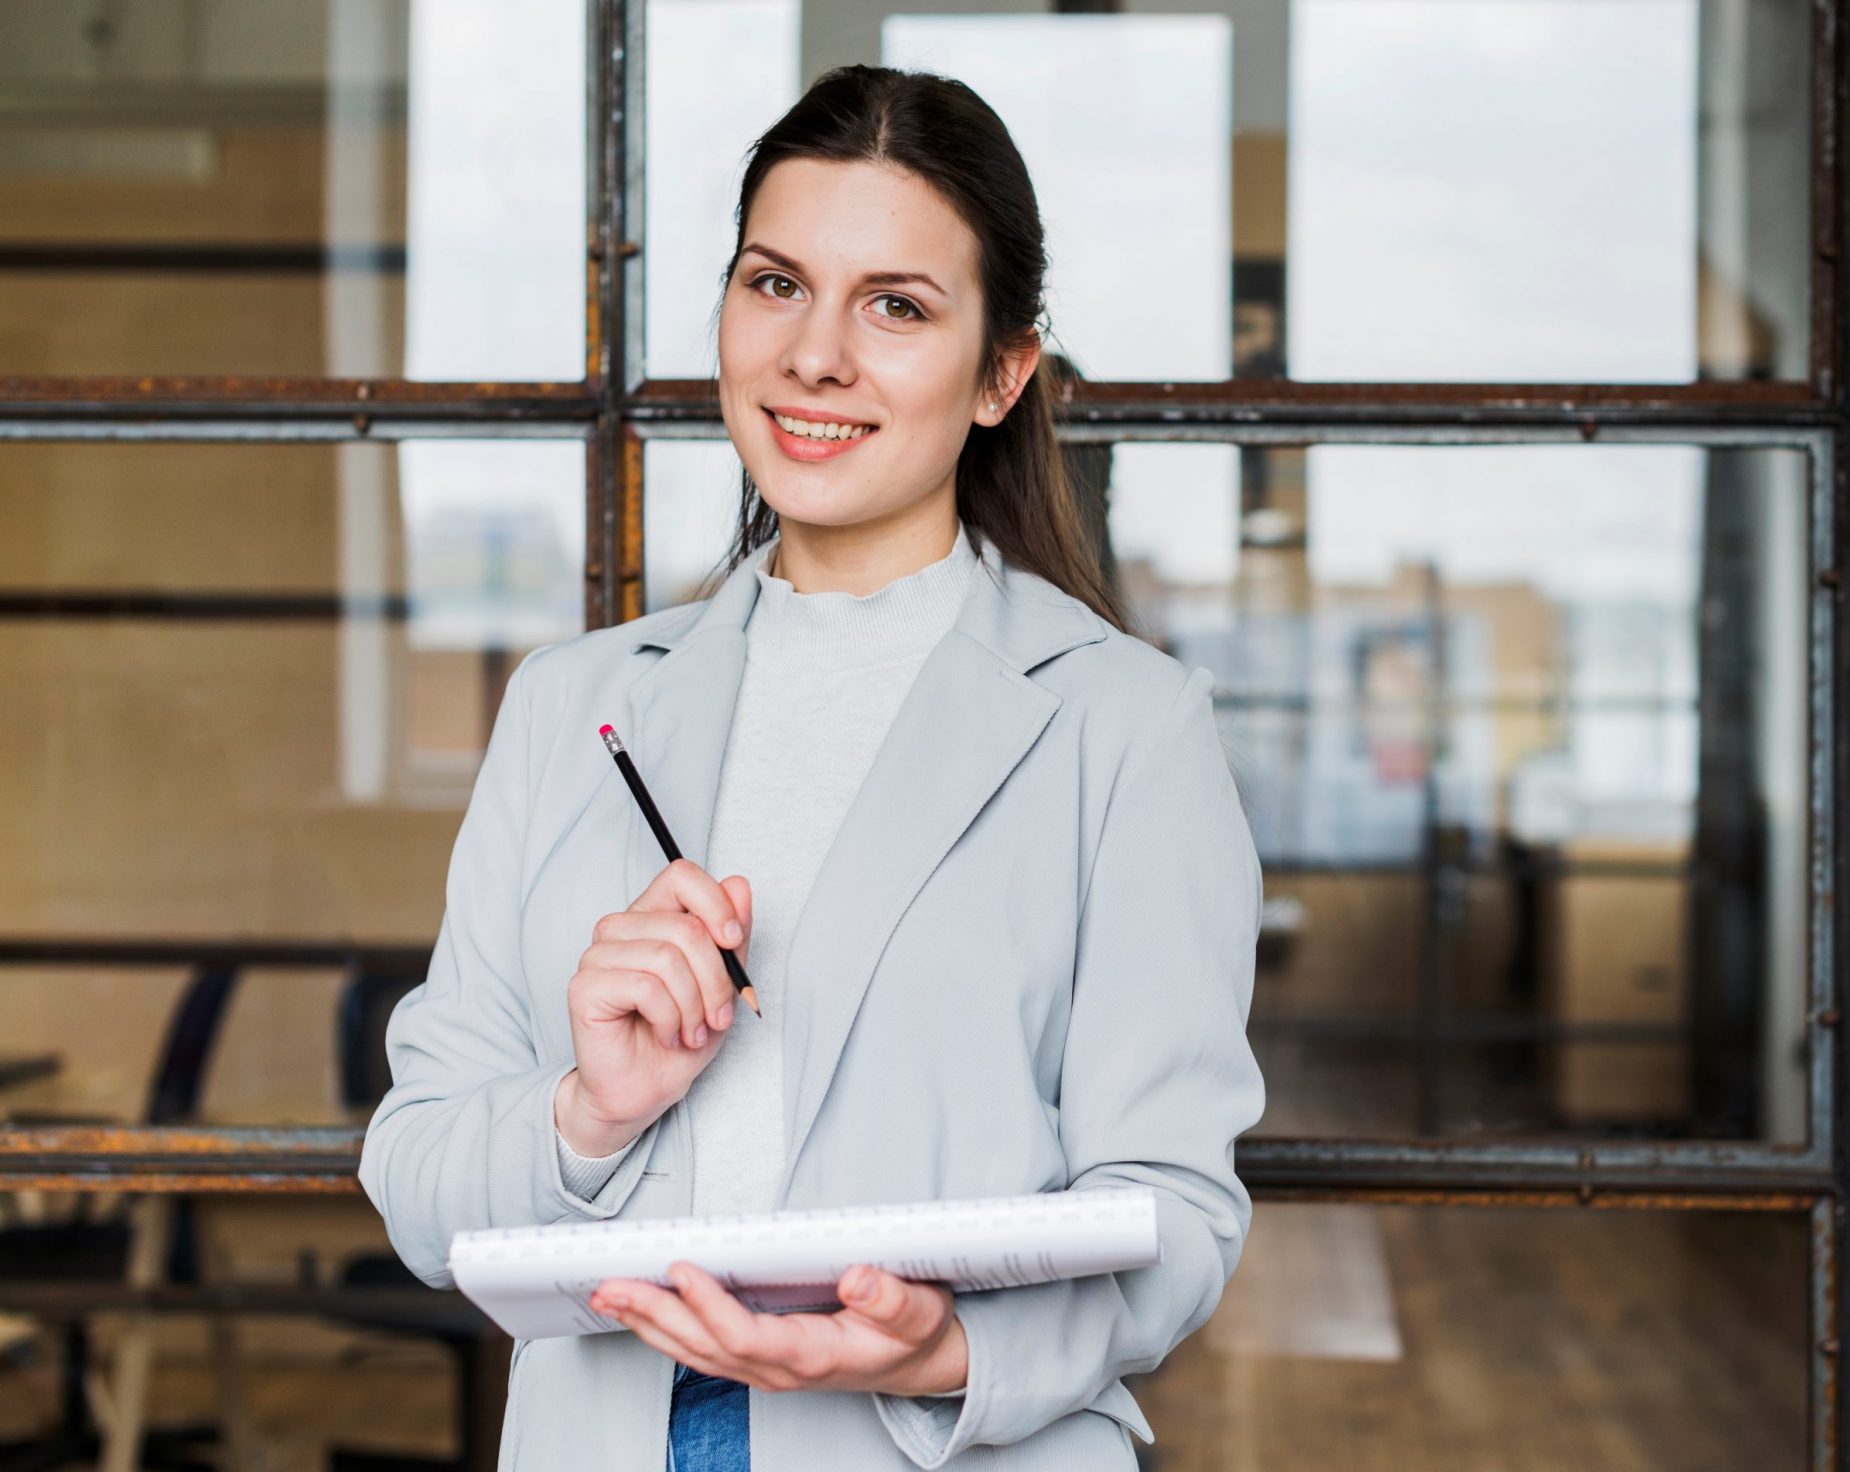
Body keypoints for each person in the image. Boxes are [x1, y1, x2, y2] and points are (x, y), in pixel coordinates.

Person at [357, 63, 1265, 1472]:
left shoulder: (1124, 729)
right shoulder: (571, 708)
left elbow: (1177, 1212)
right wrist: (591, 1114)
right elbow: (417, 1183)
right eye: (775, 284)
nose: (814, 356)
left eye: (896, 306)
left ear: (1002, 374)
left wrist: (947, 1348)